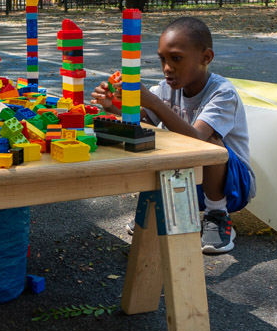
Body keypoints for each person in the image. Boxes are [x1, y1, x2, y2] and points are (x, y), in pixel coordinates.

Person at [92, 16, 254, 254]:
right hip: (190, 179)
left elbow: (199, 138)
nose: (167, 68)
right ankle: (159, 210)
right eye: (163, 59)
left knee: (209, 141)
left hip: (232, 184)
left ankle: (217, 216)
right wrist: (112, 107)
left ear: (206, 57)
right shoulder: (167, 88)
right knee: (150, 136)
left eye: (176, 58)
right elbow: (144, 122)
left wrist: (155, 103)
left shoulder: (222, 93)